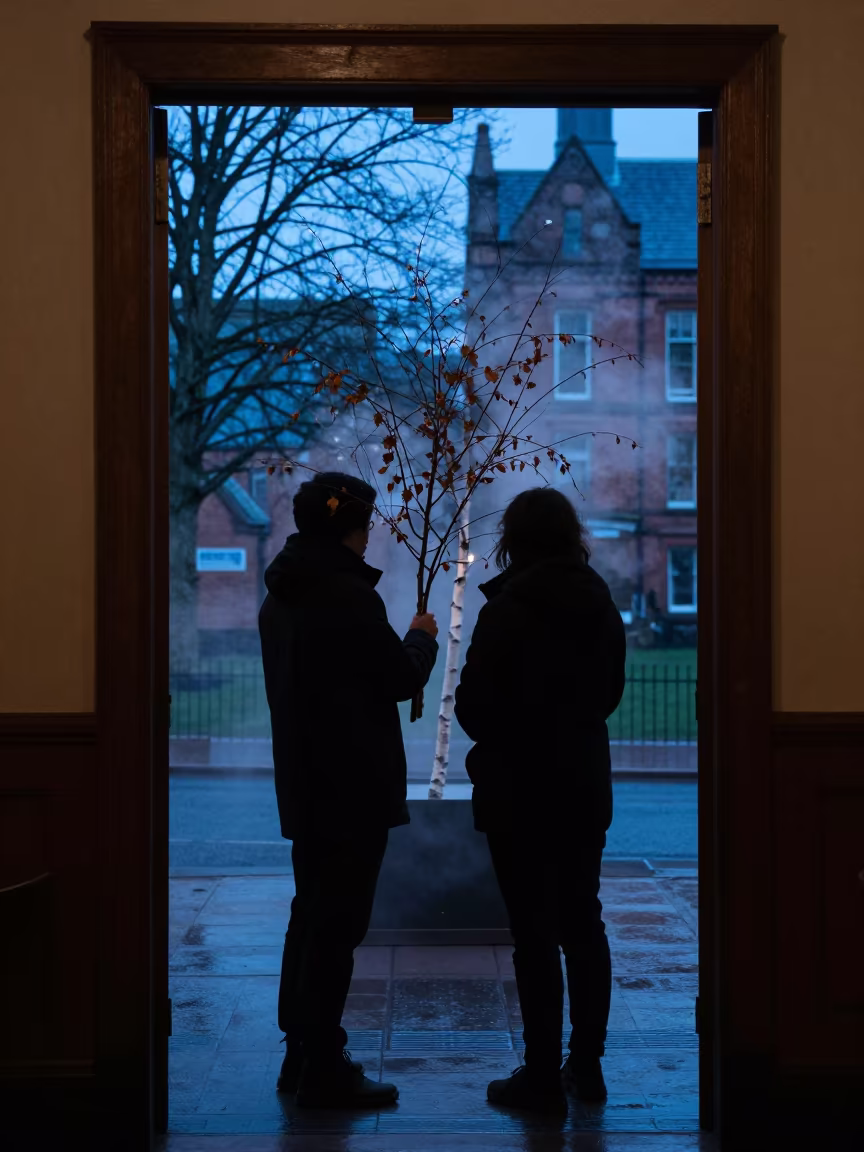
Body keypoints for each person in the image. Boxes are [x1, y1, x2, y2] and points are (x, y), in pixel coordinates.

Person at [259, 472, 438, 1108]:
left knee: (310, 913)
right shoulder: (347, 596)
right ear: (348, 527)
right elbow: (397, 677)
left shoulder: (282, 593)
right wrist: (421, 639)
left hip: (305, 781)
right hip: (354, 785)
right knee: (340, 925)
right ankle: (325, 1067)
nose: (370, 537)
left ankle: (300, 1050)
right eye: (366, 525)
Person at [454, 487, 625, 1114]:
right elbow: (608, 696)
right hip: (580, 782)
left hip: (518, 788)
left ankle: (542, 1075)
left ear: (515, 540)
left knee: (533, 934)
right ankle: (588, 1065)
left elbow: (472, 707)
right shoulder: (600, 603)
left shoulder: (506, 609)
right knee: (584, 923)